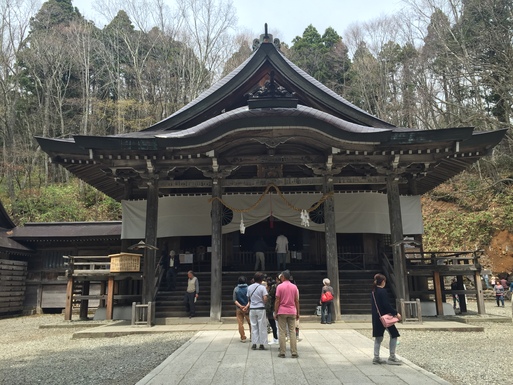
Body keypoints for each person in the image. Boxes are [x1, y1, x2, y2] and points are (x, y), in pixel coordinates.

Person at [371, 273, 402, 365]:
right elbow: (386, 305)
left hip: (377, 317)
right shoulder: (382, 291)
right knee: (394, 335)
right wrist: (395, 313)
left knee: (378, 337)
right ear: (383, 281)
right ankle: (392, 356)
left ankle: (376, 357)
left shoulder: (373, 291)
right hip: (385, 317)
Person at [274, 270, 300, 358]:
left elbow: (277, 300)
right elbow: (296, 300)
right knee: (292, 331)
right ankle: (294, 352)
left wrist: (276, 311)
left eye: (281, 277)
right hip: (292, 310)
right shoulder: (294, 287)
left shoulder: (279, 287)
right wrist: (298, 312)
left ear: (283, 277)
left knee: (282, 331)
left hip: (282, 310)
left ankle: (282, 352)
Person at [247, 272, 268, 350]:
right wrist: (263, 302)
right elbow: (265, 298)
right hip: (261, 308)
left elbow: (248, 298)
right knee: (262, 326)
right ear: (261, 279)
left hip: (252, 308)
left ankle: (254, 343)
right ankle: (262, 344)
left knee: (253, 326)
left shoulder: (249, 287)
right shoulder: (262, 287)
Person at [233, 276, 250, 343]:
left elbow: (234, 300)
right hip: (248, 308)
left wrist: (240, 306)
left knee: (240, 323)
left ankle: (243, 337)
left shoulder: (236, 289)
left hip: (239, 308)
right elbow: (250, 299)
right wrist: (246, 306)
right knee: (250, 323)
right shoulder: (248, 288)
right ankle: (252, 336)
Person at [266, 274, 279, 345]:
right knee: (274, 325)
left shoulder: (271, 292)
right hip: (273, 309)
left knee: (273, 325)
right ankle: (276, 338)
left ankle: (275, 338)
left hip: (272, 309)